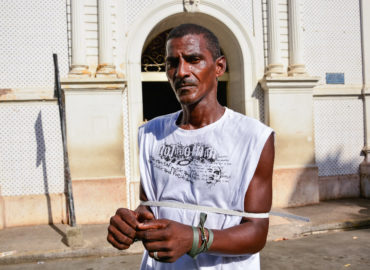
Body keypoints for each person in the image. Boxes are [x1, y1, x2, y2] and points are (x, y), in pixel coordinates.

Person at [107, 23, 275, 269]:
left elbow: (257, 232)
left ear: (219, 67)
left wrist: (194, 239)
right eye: (172, 63)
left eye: (193, 60)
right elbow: (151, 205)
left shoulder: (253, 137)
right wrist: (131, 222)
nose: (181, 71)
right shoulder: (151, 133)